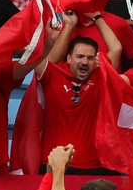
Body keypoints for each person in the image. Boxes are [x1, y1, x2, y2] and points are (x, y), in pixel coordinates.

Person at [34, 22, 122, 172]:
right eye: (79, 56)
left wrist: (97, 17)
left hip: (94, 166)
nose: (84, 62)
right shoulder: (53, 74)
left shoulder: (100, 76)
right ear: (68, 58)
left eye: (90, 58)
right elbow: (41, 62)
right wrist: (69, 26)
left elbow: (116, 48)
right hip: (54, 164)